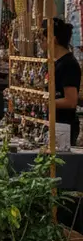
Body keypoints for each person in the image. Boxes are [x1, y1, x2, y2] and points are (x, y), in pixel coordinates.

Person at [51, 18, 81, 147]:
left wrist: (44, 103)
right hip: (57, 123)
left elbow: (71, 101)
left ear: (53, 40)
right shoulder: (57, 62)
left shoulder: (68, 64)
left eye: (42, 39)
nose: (40, 43)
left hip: (64, 126)